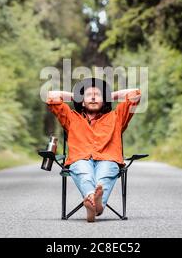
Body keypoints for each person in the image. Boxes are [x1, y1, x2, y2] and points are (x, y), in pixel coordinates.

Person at [46, 78, 141, 222]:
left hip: (108, 158)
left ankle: (93, 203)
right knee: (83, 171)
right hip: (80, 158)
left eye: (98, 95)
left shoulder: (117, 116)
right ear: (82, 101)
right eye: (89, 95)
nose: (93, 97)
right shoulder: (71, 117)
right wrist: (77, 95)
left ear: (104, 100)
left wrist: (109, 95)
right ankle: (96, 203)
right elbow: (51, 97)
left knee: (104, 177)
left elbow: (136, 94)